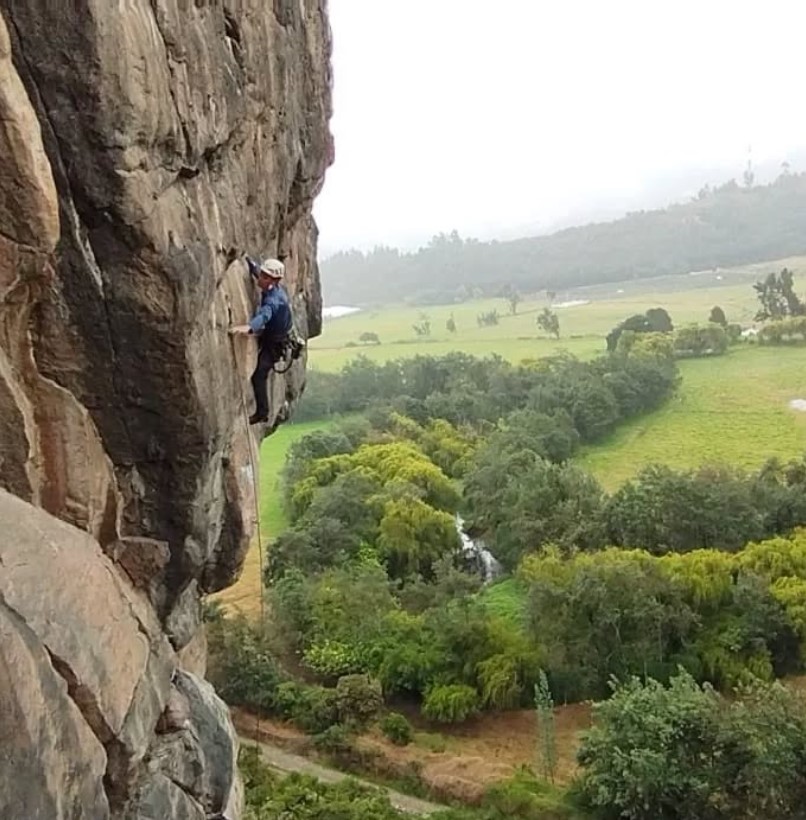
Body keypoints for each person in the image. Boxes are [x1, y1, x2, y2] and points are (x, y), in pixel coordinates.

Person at [230, 256, 293, 424]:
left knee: (259, 375)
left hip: (275, 344)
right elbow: (258, 272)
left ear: (274, 280)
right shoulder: (271, 285)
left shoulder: (274, 299)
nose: (261, 278)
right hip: (271, 334)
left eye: (265, 277)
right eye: (262, 275)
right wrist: (249, 263)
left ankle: (262, 413)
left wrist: (250, 327)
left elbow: (265, 314)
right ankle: (262, 411)